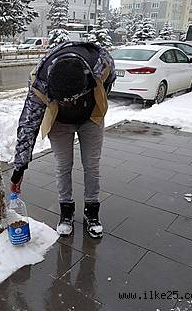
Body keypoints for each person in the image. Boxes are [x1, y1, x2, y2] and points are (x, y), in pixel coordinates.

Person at [10, 41, 116, 239]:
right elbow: (28, 123)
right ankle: (66, 212)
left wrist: (95, 101)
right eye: (66, 100)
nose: (71, 103)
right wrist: (19, 167)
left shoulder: (101, 64)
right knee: (63, 166)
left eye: (74, 98)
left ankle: (92, 212)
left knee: (92, 165)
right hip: (60, 122)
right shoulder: (39, 82)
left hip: (91, 117)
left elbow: (109, 82)